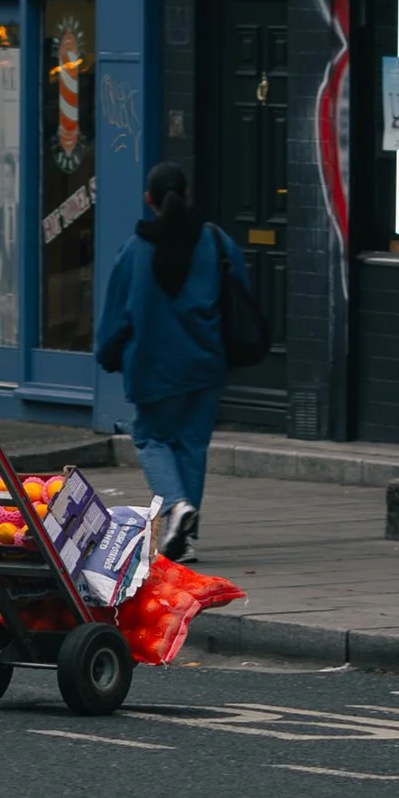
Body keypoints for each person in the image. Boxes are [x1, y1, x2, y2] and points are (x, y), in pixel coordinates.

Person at [94, 163, 247, 563]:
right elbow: (241, 292)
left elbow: (117, 311)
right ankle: (183, 538)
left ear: (149, 200)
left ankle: (175, 507)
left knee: (152, 438)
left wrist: (107, 351)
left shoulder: (136, 249)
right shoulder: (216, 241)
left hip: (153, 365)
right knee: (192, 445)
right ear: (188, 193)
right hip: (205, 363)